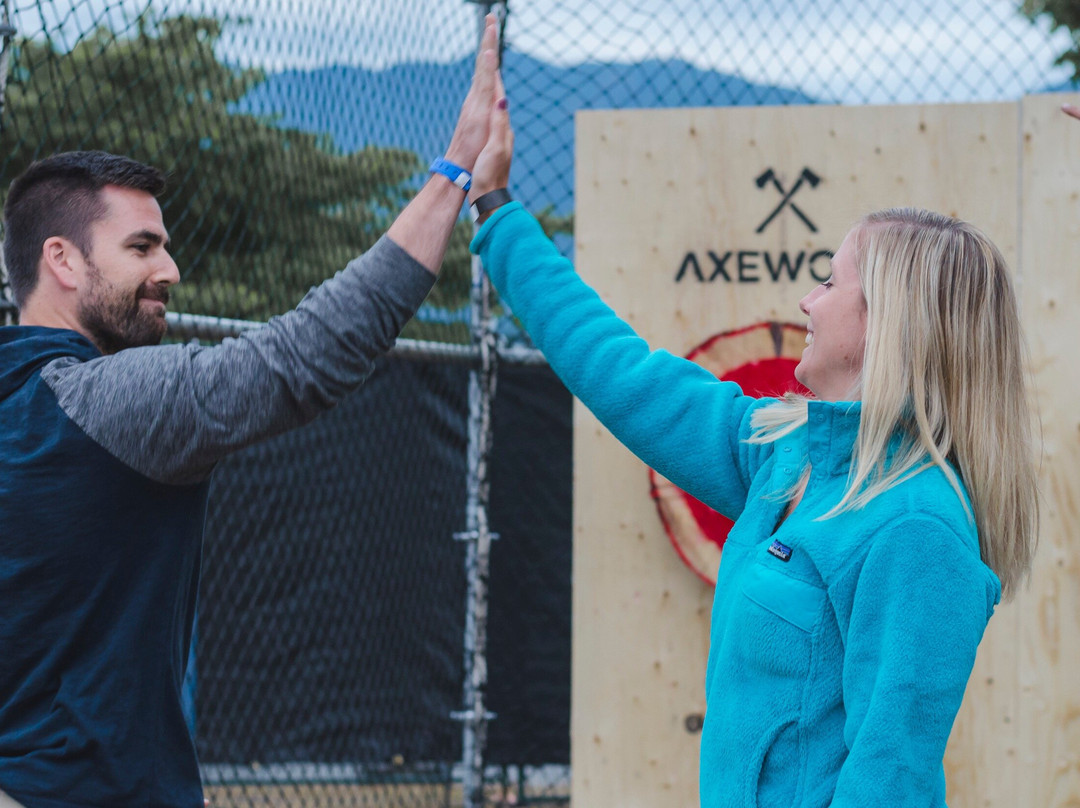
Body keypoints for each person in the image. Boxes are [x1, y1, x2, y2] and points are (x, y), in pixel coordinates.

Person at [464, 81, 1039, 806]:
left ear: (885, 325)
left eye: (830, 283)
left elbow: (890, 784)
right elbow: (620, 373)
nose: (808, 300)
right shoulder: (787, 453)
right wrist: (495, 209)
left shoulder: (918, 530)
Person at [0, 16, 504, 808]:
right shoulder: (100, 405)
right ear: (60, 259)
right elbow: (304, 358)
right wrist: (455, 170)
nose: (169, 267)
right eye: (141, 247)